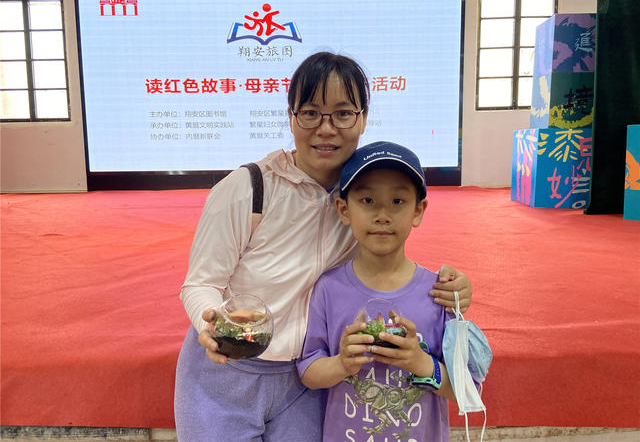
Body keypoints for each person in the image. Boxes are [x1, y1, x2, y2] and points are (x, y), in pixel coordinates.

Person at [174, 52, 471, 441]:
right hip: (229, 371)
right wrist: (212, 325)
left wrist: (450, 286)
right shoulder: (248, 189)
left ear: (363, 118)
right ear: (291, 117)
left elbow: (386, 251)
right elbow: (200, 283)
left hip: (308, 380)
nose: (326, 129)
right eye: (311, 113)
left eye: (343, 113)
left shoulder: (360, 197)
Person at [297, 141, 456, 441]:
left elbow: (463, 389)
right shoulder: (328, 289)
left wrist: (422, 363)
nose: (383, 214)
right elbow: (308, 372)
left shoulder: (439, 293)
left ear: (418, 210)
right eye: (367, 200)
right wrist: (342, 363)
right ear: (344, 209)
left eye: (397, 201)